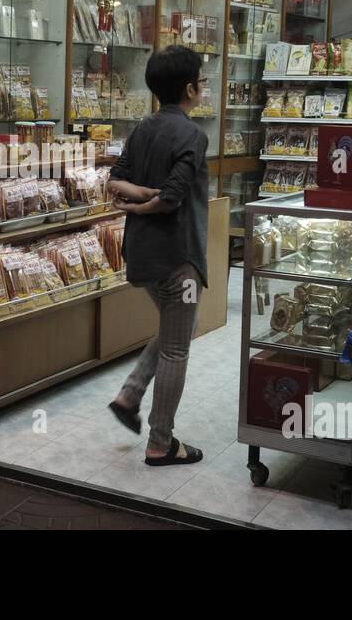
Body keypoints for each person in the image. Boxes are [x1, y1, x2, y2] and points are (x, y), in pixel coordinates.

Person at [105, 45, 209, 466]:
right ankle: (161, 443)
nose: (203, 87)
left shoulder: (143, 128)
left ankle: (129, 396)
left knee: (178, 327)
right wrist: (150, 201)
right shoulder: (194, 136)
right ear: (189, 89)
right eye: (201, 82)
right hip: (178, 255)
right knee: (177, 348)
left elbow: (115, 181)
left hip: (143, 255)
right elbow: (172, 198)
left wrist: (139, 199)